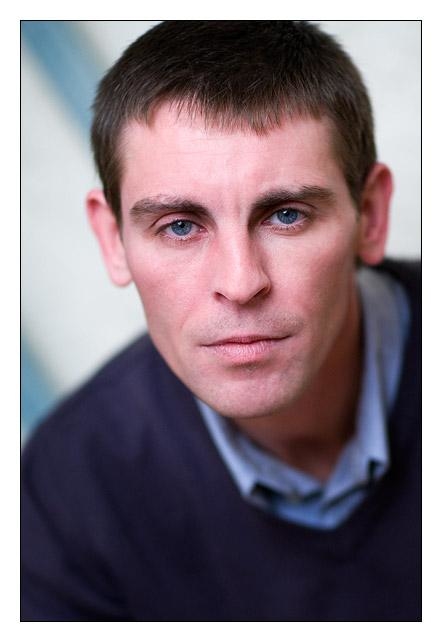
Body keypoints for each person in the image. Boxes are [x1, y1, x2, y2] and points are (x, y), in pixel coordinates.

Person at [21, 20, 421, 621]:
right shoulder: (69, 486)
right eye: (179, 226)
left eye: (286, 215)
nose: (240, 283)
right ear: (113, 240)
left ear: (370, 214)